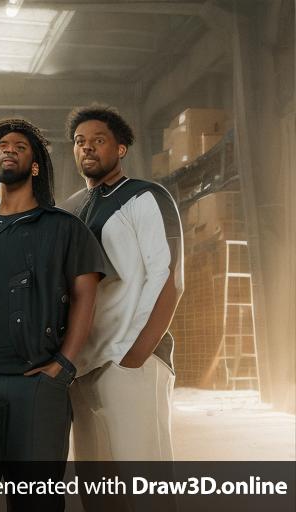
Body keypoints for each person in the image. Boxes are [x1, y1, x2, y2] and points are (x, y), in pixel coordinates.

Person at [0, 118, 104, 511]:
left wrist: (63, 365)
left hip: (36, 386)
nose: (8, 149)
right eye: (0, 145)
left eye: (19, 146)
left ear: (34, 166)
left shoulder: (64, 228)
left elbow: (85, 296)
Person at [62, 105, 184, 467]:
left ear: (120, 149)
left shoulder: (144, 196)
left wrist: (133, 358)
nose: (87, 147)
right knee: (96, 488)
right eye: (80, 141)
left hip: (131, 361)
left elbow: (170, 277)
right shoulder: (72, 209)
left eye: (98, 140)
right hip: (83, 367)